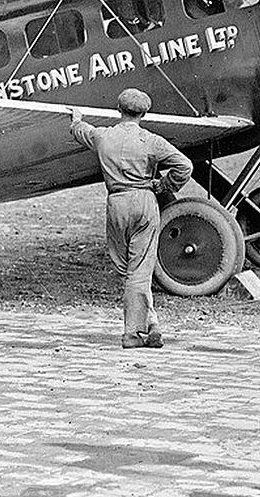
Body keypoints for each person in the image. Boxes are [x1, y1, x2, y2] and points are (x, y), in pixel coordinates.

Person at [70, 89, 193, 349]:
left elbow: (81, 130)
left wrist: (76, 118)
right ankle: (132, 333)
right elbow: (185, 166)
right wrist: (164, 185)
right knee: (138, 271)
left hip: (116, 203)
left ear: (118, 109)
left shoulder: (103, 136)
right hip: (144, 202)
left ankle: (151, 323)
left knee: (127, 270)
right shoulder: (151, 141)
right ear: (144, 113)